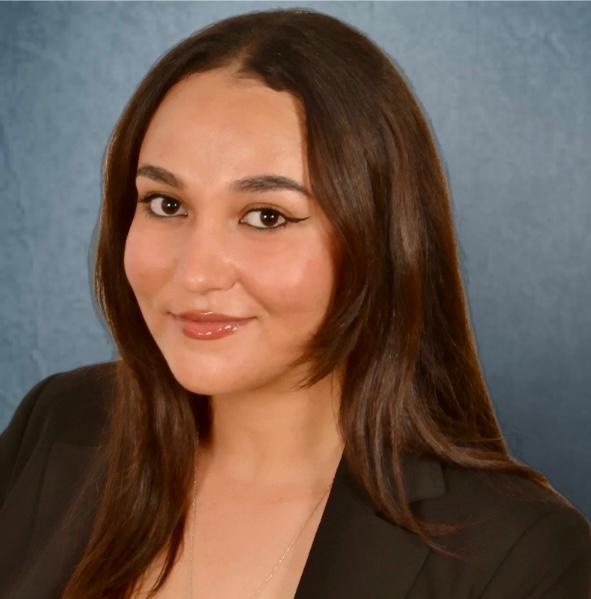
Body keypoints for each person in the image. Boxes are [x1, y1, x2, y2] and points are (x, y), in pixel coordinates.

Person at [0, 7, 589, 599]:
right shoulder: (58, 424)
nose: (196, 272)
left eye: (266, 216)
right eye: (167, 205)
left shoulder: (524, 558)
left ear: (378, 240)